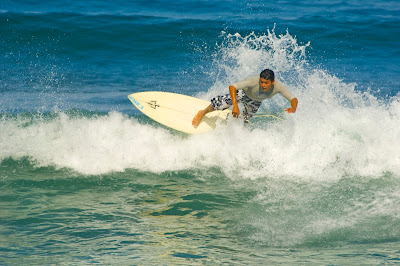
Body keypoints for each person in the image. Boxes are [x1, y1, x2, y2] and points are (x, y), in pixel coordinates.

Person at [192, 69, 298, 128]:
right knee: (221, 104)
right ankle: (203, 112)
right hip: (243, 94)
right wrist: (235, 106)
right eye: (262, 82)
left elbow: (293, 99)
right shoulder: (253, 81)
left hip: (256, 102)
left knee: (244, 120)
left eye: (266, 83)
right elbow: (232, 86)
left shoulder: (278, 86)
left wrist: (293, 108)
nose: (263, 85)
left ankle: (231, 122)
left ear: (272, 82)